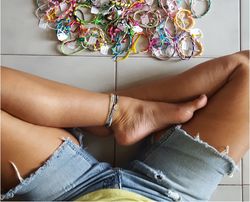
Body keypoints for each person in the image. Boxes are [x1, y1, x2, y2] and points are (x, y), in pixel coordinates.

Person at [1, 50, 249, 201]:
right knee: (246, 67)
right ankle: (120, 112)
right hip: (171, 192)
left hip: (68, 192)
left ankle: (110, 112)